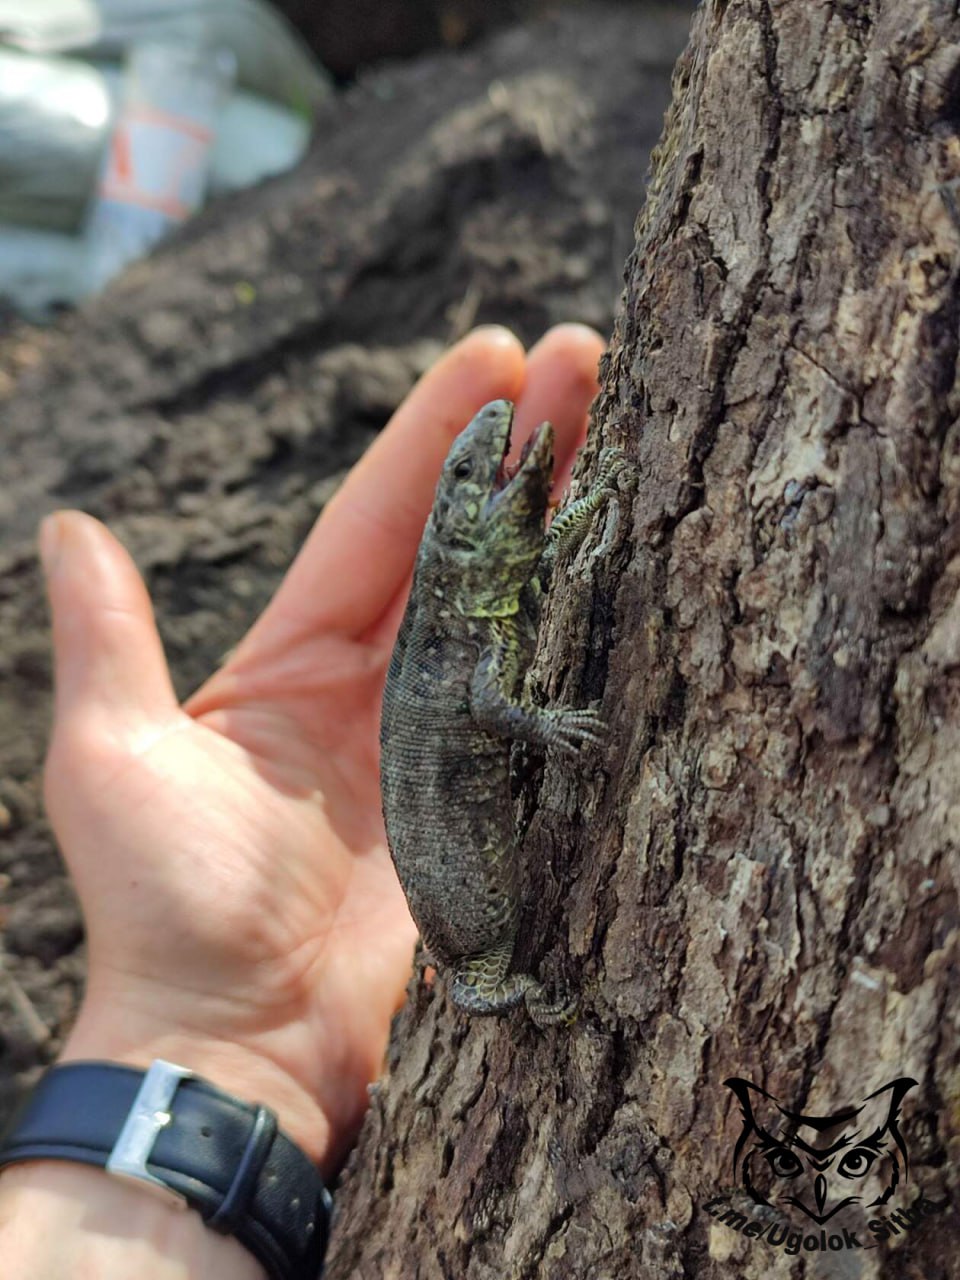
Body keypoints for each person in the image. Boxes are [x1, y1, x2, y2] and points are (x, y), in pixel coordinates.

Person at [0, 323, 604, 1276]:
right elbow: (494, 696)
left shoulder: (474, 591)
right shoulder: (462, 609)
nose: (490, 469)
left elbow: (507, 631)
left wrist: (193, 1051)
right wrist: (206, 1038)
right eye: (467, 486)